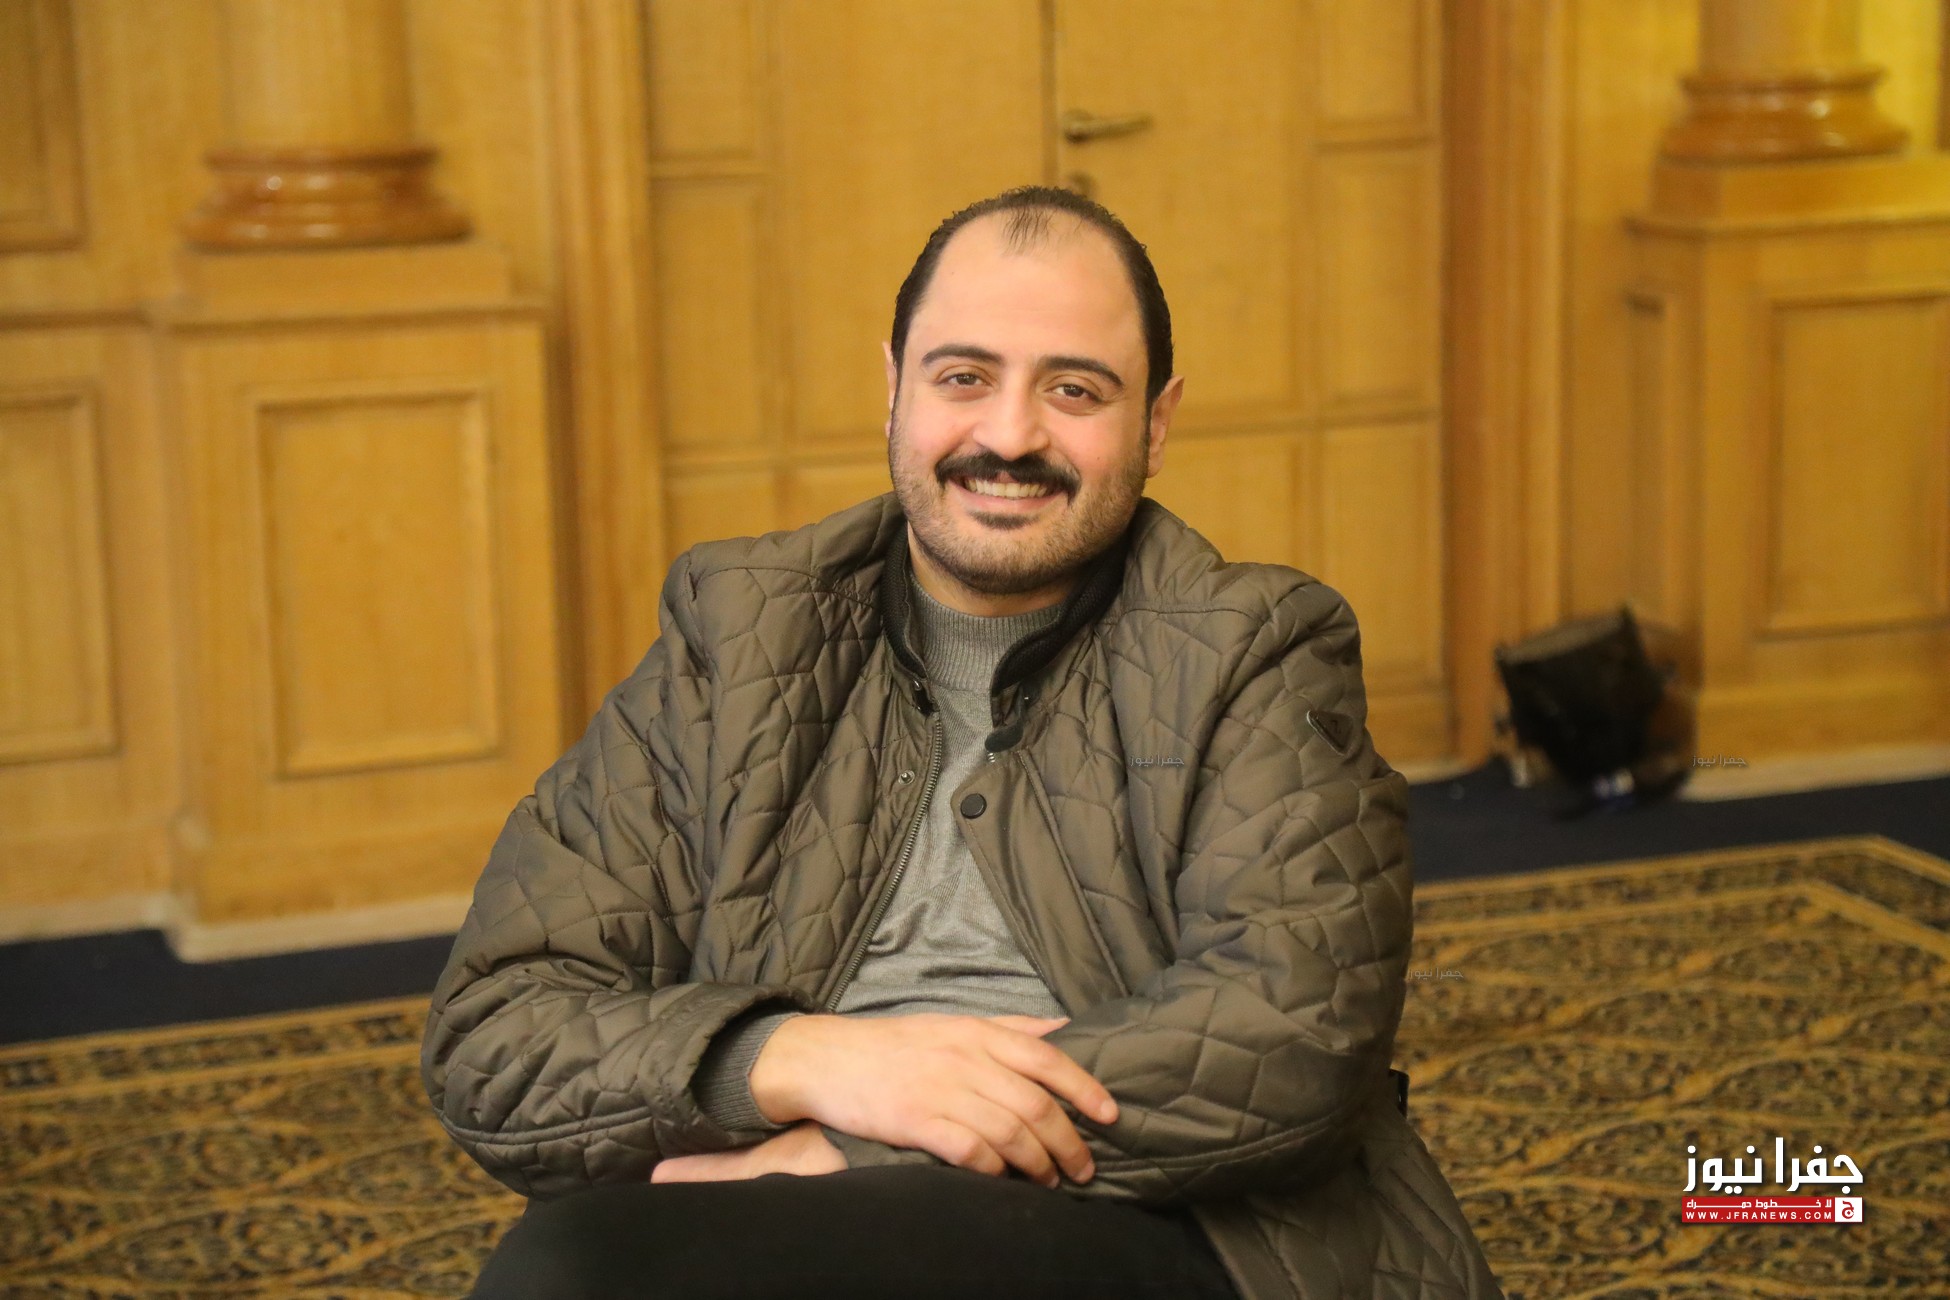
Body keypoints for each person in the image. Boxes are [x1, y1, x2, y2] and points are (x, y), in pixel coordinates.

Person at [422, 185, 1502, 1300]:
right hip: (776, 1202)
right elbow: (497, 1034)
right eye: (964, 377)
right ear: (894, 386)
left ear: (1156, 423)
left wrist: (862, 1146)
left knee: (583, 1272)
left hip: (1146, 1212)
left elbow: (1292, 1033)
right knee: (568, 1274)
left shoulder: (1253, 648)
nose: (1010, 436)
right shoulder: (738, 634)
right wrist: (794, 1060)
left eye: (1074, 389)